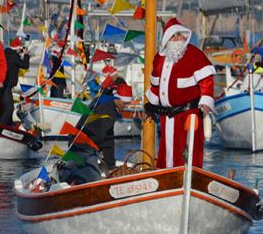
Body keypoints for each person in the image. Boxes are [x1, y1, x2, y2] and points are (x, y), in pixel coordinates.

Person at [145, 17, 216, 169]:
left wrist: (205, 103)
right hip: (166, 117)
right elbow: (155, 85)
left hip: (188, 115)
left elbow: (206, 80)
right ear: (167, 38)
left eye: (180, 34)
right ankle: (167, 179)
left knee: (188, 151)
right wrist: (151, 104)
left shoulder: (194, 54)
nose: (178, 38)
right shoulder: (159, 58)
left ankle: (189, 179)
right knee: (166, 151)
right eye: (174, 35)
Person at [59, 83, 134, 184]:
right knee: (93, 181)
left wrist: (102, 152)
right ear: (117, 99)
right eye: (125, 103)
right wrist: (111, 166)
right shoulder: (109, 111)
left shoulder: (102, 101)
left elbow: (102, 133)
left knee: (69, 173)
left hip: (75, 141)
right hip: (85, 146)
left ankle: (65, 180)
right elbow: (108, 139)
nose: (126, 106)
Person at [0, 37, 30, 126]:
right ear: (18, 47)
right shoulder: (13, 57)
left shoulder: (8, 54)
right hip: (6, 86)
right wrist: (26, 54)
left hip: (5, 85)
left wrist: (20, 53)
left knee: (6, 107)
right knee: (9, 109)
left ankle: (8, 125)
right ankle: (0, 127)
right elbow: (25, 65)